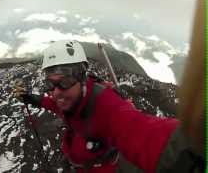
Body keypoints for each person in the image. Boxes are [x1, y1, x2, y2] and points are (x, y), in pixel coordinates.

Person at [13, 39, 204, 173]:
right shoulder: (70, 99)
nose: (55, 92)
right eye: (50, 84)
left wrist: (190, 147)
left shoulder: (106, 105)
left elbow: (139, 129)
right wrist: (31, 98)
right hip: (80, 162)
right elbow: (54, 103)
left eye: (64, 82)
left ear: (81, 77)